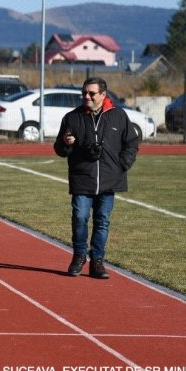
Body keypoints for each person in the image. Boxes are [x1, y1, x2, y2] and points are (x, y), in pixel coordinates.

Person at [54, 77, 139, 280]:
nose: (87, 97)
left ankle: (97, 261)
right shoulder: (72, 118)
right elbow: (59, 149)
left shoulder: (118, 116)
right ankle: (79, 256)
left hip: (110, 180)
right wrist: (66, 143)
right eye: (84, 93)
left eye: (91, 93)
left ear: (103, 95)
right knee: (80, 218)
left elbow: (131, 142)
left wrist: (122, 165)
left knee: (102, 221)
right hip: (82, 178)